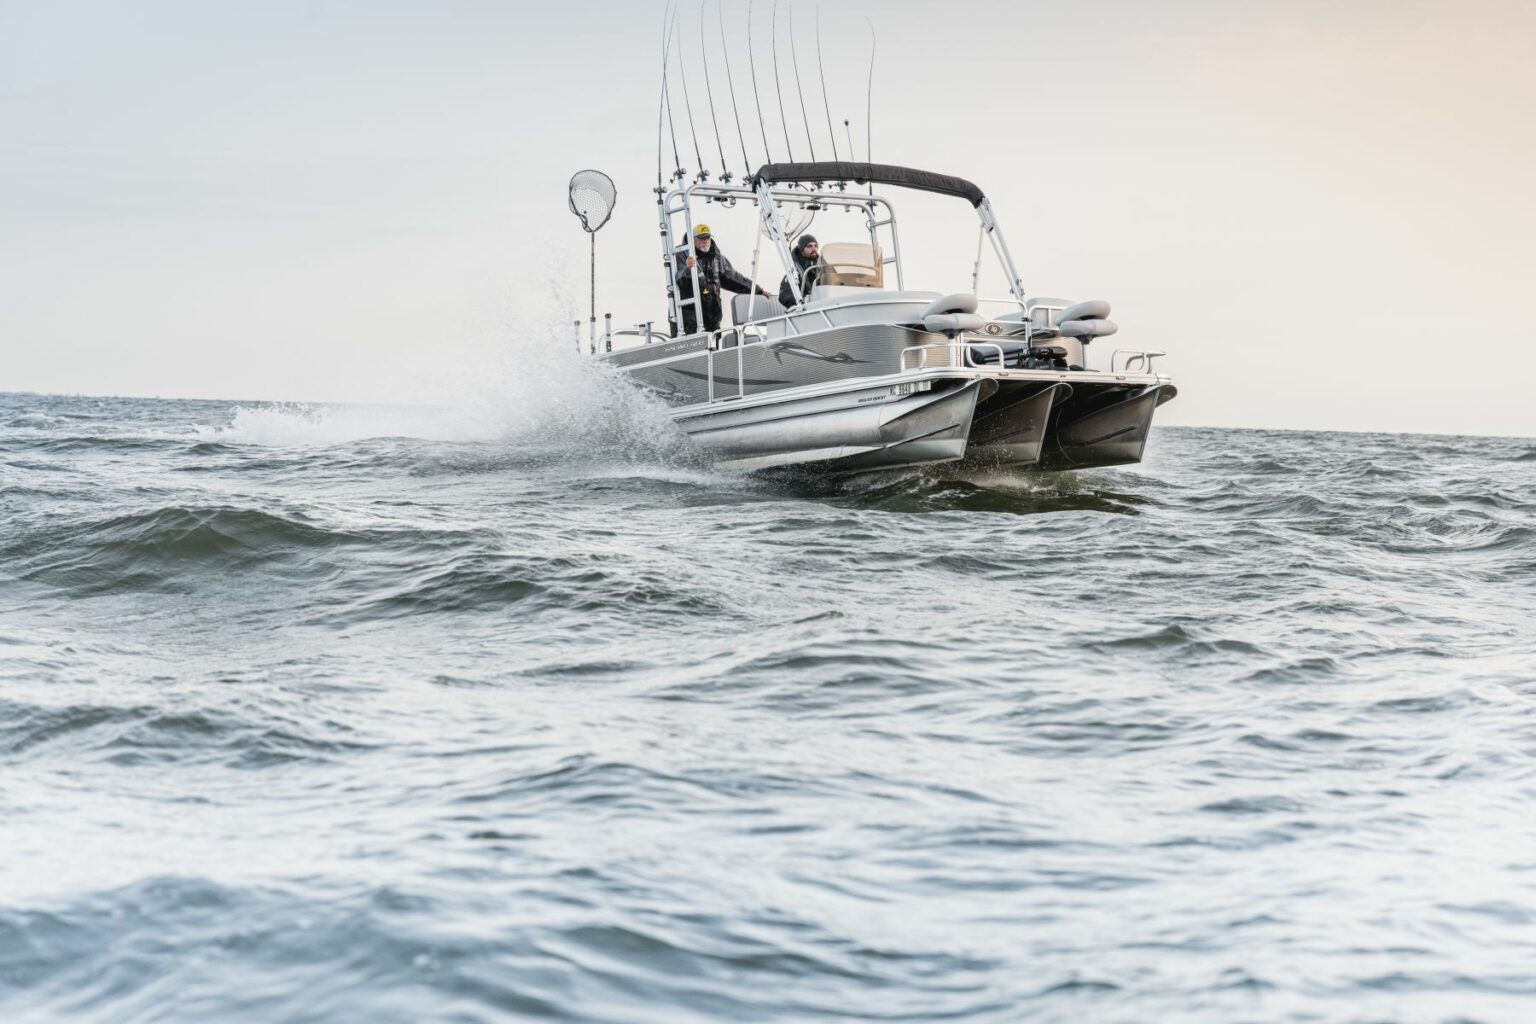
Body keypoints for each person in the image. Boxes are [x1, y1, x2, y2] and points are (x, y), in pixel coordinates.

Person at [673, 223, 770, 335]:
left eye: (707, 237)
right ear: (692, 240)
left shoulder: (717, 258)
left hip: (712, 320)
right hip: (688, 322)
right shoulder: (680, 255)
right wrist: (688, 269)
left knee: (714, 349)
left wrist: (758, 290)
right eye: (701, 238)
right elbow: (679, 280)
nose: (705, 240)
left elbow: (733, 278)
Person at [777, 234, 821, 309]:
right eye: (809, 246)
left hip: (822, 304)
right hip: (808, 311)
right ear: (802, 250)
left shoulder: (821, 266)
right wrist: (802, 303)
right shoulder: (794, 271)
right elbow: (784, 295)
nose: (814, 249)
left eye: (815, 246)